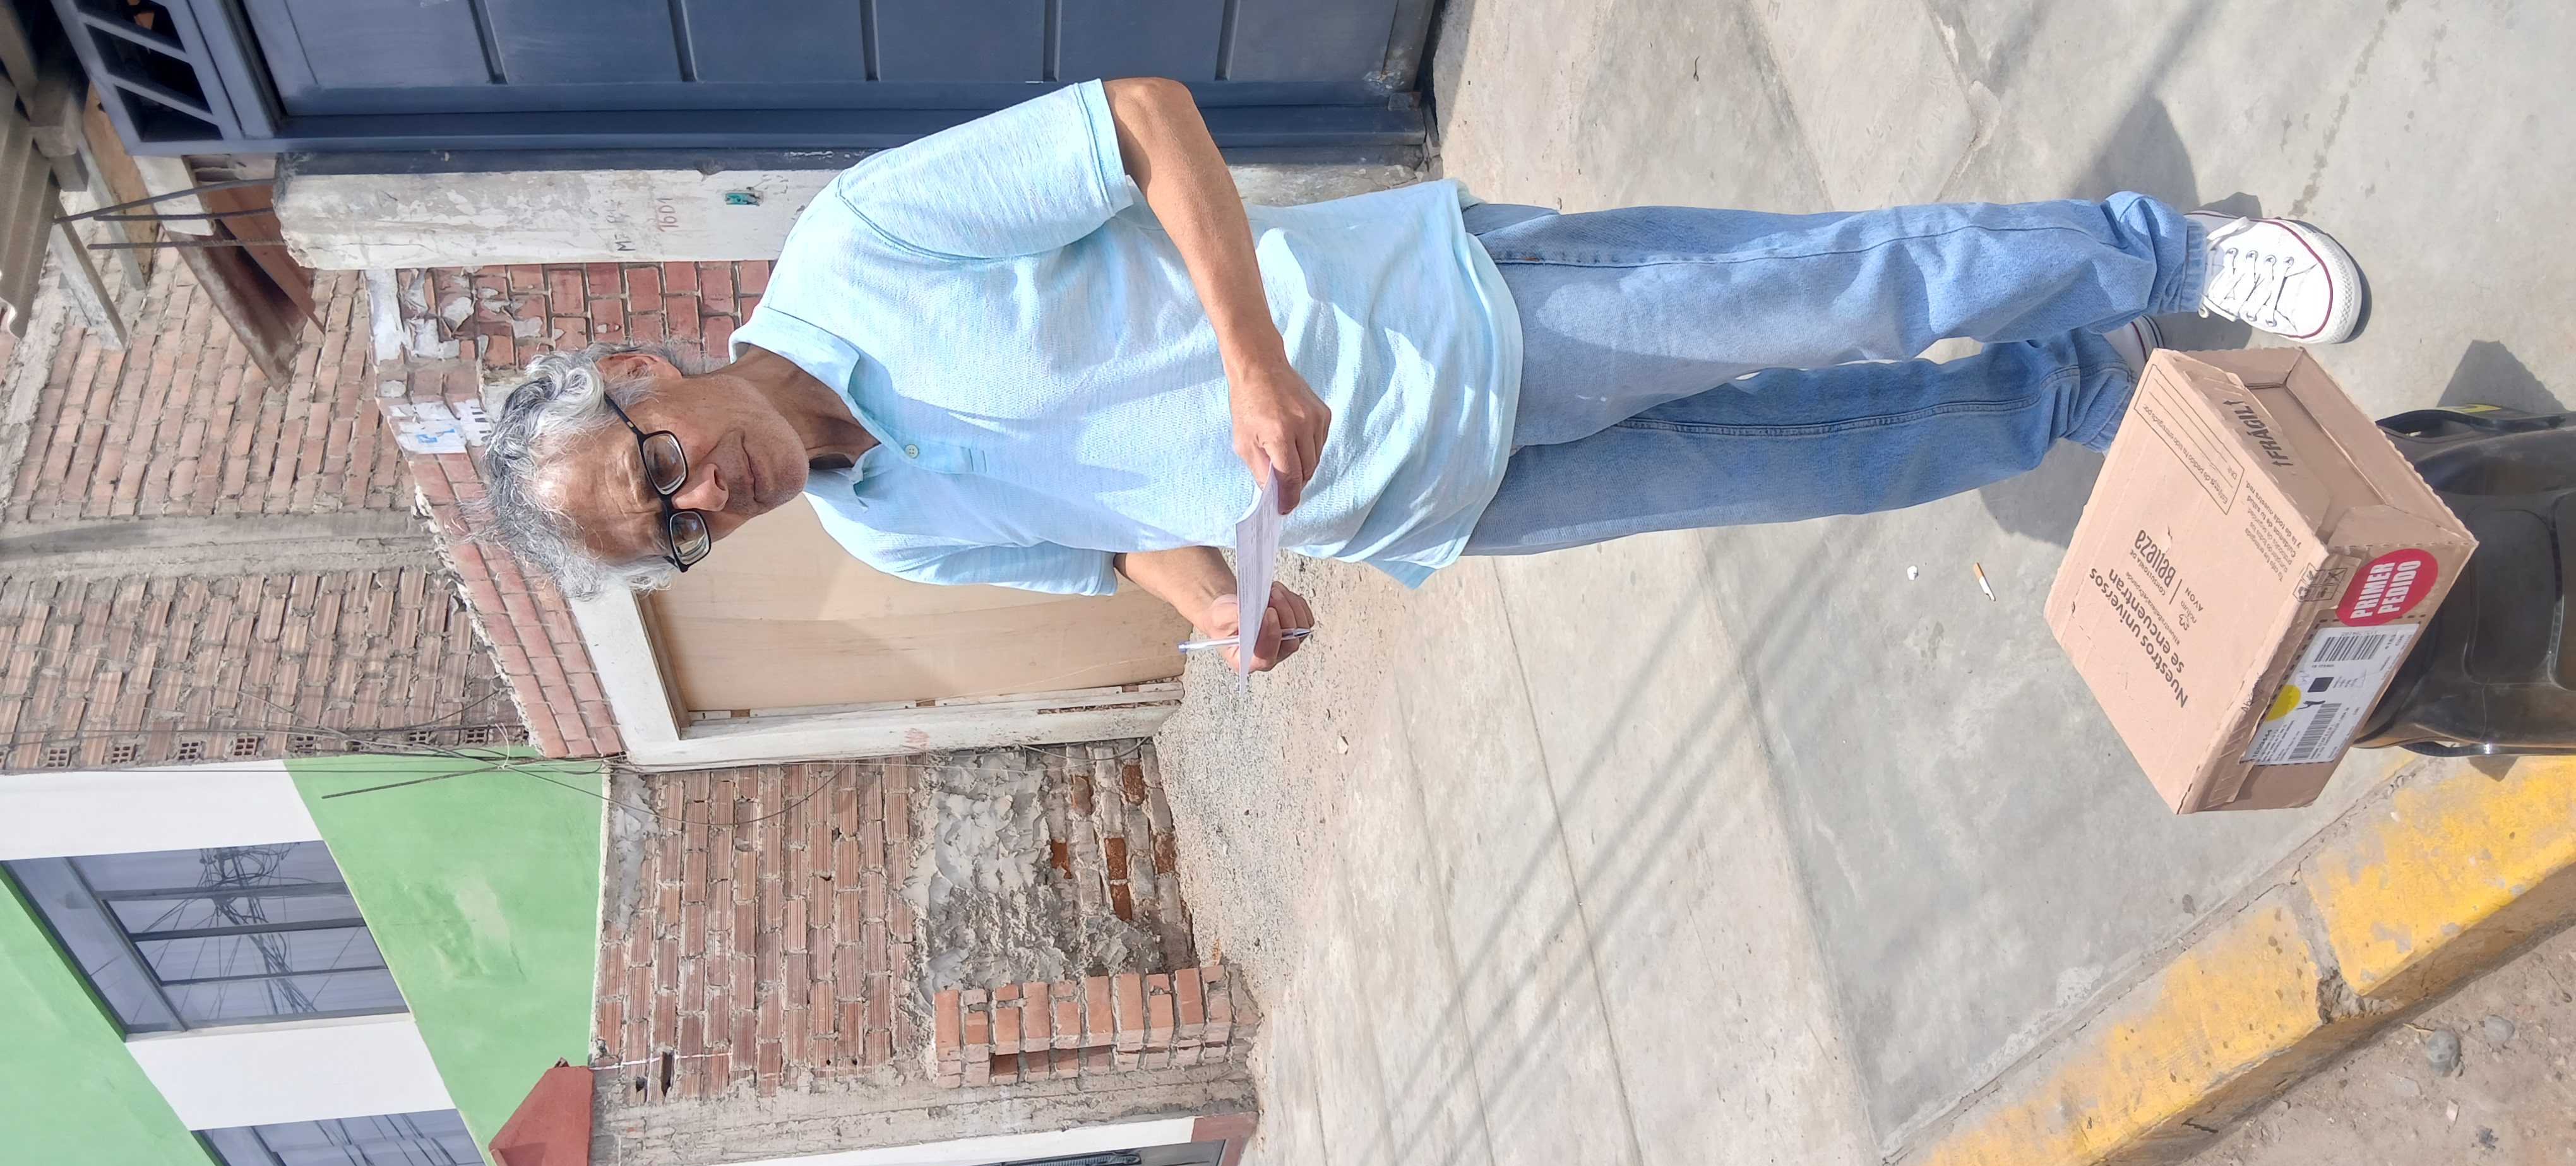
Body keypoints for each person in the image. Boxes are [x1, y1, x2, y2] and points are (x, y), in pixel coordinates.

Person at [478, 76, 2364, 674]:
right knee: (1826, 453)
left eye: (659, 473)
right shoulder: (888, 535)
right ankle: (2082, 389)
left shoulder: (863, 243)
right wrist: (1216, 610)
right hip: (1435, 503)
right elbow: (1111, 542)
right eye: (676, 538)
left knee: (1837, 296)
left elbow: (1141, 119)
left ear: (649, 373)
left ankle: (2167, 255)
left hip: (1450, 326)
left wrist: (1249, 359)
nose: (703, 504)